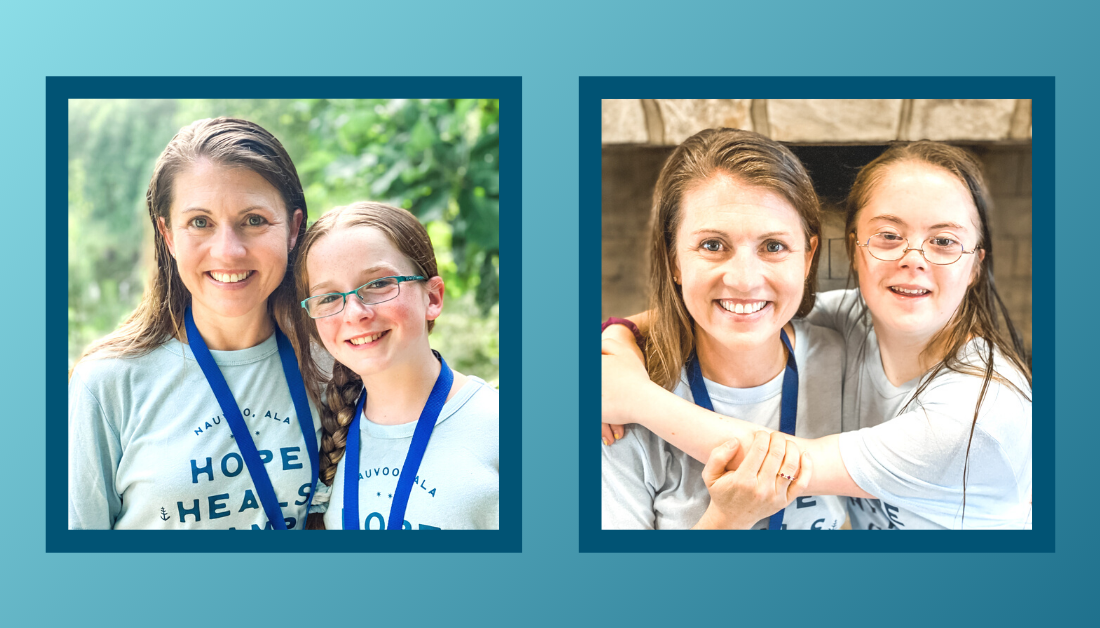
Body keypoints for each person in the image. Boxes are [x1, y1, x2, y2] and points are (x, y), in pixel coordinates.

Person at [603, 141, 1032, 530]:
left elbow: (780, 467)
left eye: (943, 241)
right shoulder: (854, 323)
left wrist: (637, 399)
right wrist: (616, 332)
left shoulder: (980, 414)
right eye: (888, 236)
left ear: (976, 264)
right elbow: (748, 308)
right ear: (855, 248)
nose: (912, 259)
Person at [68, 117, 321, 530]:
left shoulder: (330, 364)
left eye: (254, 220)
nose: (228, 251)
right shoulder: (108, 385)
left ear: (293, 229)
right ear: (168, 235)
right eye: (200, 222)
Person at [601, 128, 847, 530]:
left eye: (773, 246)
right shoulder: (612, 410)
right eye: (713, 245)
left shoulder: (847, 359)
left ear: (807, 257)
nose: (745, 280)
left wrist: (616, 330)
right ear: (674, 260)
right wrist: (726, 520)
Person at [295, 202, 498, 530]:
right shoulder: (323, 433)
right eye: (329, 297)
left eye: (377, 284)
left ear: (432, 298)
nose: (355, 313)